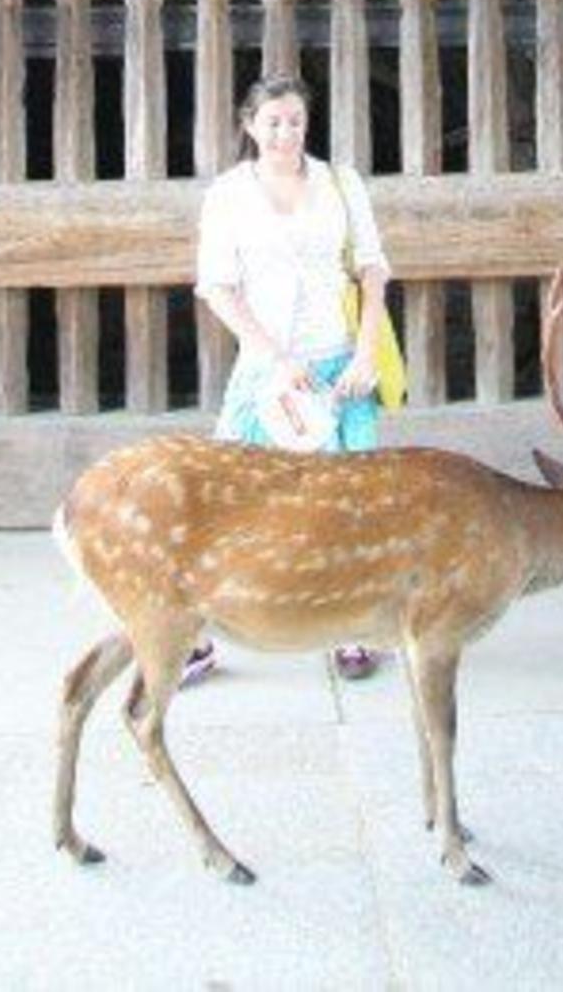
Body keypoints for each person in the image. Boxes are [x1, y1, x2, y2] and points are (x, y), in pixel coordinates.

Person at [188, 71, 390, 683]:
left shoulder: (340, 183)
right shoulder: (229, 193)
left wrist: (366, 353)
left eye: (296, 121)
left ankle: (352, 628)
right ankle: (195, 633)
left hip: (337, 364)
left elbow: (373, 271)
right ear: (250, 126)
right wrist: (274, 356)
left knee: (349, 505)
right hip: (265, 367)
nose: (285, 133)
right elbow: (217, 288)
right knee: (224, 498)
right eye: (272, 121)